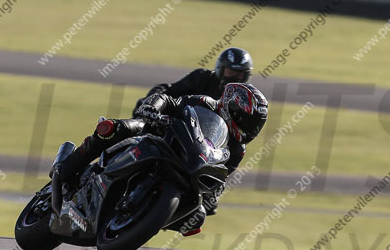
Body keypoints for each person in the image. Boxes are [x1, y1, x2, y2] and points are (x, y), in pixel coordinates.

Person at [54, 82, 268, 236]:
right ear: (233, 108)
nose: (251, 129)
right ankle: (67, 166)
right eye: (249, 121)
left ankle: (143, 215)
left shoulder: (238, 149)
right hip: (156, 134)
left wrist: (214, 193)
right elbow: (170, 101)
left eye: (256, 125)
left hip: (188, 164)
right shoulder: (204, 102)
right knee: (112, 128)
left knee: (198, 215)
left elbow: (223, 173)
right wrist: (152, 108)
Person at [133, 48, 253, 117]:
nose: (236, 78)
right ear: (220, 69)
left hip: (212, 145)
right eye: (231, 73)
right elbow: (167, 90)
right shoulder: (201, 78)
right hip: (177, 126)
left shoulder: (245, 99)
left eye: (241, 74)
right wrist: (150, 103)